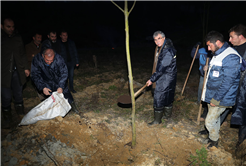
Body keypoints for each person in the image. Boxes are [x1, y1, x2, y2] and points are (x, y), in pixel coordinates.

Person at [200, 31, 242, 149]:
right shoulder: (218, 53)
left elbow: (228, 81)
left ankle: (214, 141)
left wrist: (216, 98)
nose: (208, 48)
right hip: (213, 94)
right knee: (215, 119)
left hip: (222, 97)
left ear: (217, 42)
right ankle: (213, 137)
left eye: (209, 45)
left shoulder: (231, 57)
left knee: (209, 121)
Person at [31, 46, 79, 114]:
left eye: (51, 60)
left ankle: (73, 108)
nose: (49, 62)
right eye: (47, 60)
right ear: (43, 56)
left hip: (58, 80)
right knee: (51, 100)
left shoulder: (59, 58)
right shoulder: (37, 59)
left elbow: (64, 73)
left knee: (66, 95)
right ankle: (54, 112)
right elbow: (35, 75)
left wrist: (61, 86)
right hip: (46, 82)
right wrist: (42, 87)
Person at [0, 18, 30, 126]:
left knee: (18, 93)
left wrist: (26, 68)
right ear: (1, 26)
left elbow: (22, 54)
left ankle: (20, 113)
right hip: (4, 73)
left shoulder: (17, 38)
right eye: (8, 26)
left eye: (12, 26)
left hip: (17, 72)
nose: (11, 29)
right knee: (6, 96)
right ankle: (7, 117)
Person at [146, 30, 177, 126]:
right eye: (155, 40)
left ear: (164, 38)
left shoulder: (167, 51)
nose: (157, 41)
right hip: (169, 77)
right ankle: (167, 116)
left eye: (159, 38)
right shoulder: (165, 47)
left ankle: (157, 121)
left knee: (159, 97)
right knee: (168, 96)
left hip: (165, 78)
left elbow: (161, 69)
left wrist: (152, 79)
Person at [229, 24, 246, 148]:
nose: (229, 40)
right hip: (232, 85)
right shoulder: (231, 49)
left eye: (231, 37)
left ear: (240, 37)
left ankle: (241, 142)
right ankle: (211, 129)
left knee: (243, 113)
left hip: (244, 88)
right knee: (223, 106)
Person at [190, 42, 211, 121]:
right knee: (201, 88)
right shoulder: (202, 50)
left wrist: (209, 66)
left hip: (211, 76)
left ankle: (207, 105)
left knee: (209, 90)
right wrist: (195, 48)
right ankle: (199, 102)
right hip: (203, 74)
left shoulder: (215, 52)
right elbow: (193, 56)